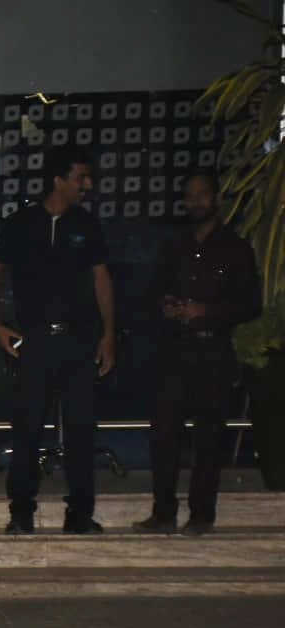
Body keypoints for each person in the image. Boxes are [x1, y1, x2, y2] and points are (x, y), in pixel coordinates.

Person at [0, 145, 116, 534]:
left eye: (88, 178)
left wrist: (109, 335)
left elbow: (102, 279)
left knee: (80, 430)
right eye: (80, 178)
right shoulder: (22, 223)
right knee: (27, 428)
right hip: (35, 340)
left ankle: (79, 514)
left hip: (79, 341)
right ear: (58, 180)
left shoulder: (87, 225)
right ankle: (21, 512)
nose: (87, 185)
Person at [134, 171, 260, 535]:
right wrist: (167, 305)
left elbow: (251, 304)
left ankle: (202, 514)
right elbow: (152, 293)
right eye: (189, 196)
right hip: (174, 350)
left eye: (201, 195)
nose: (194, 202)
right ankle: (163, 513)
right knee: (164, 435)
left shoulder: (236, 248)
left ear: (216, 199)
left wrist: (207, 311)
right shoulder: (174, 245)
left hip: (213, 351)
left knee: (208, 438)